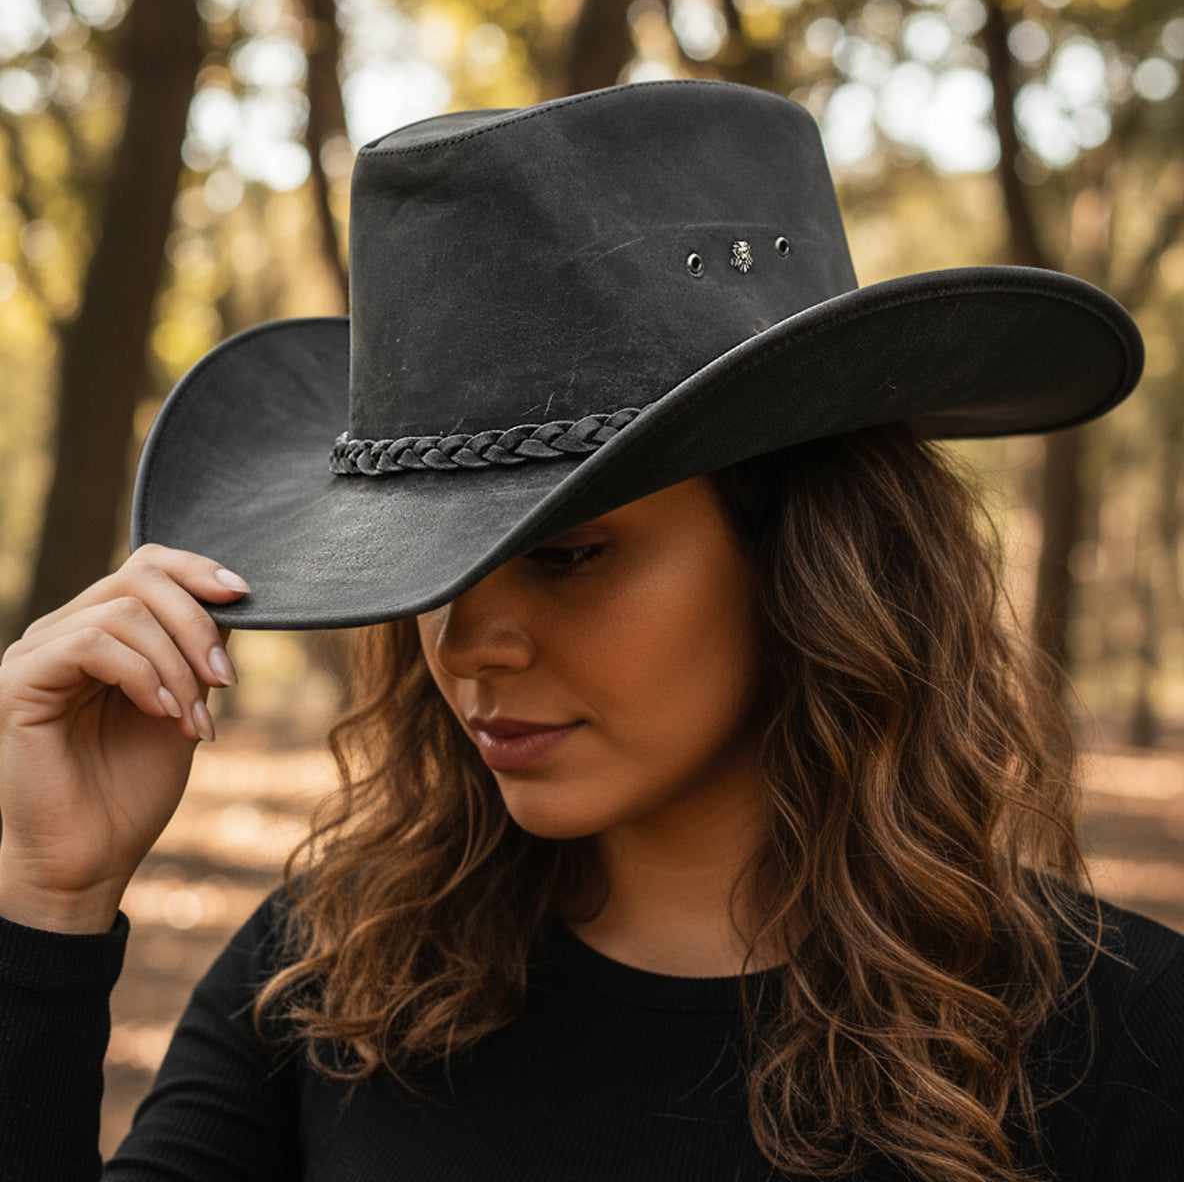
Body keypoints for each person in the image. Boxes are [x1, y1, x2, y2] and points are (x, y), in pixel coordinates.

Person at [0, 79, 1180, 1182]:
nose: (468, 644)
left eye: (568, 554)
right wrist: (48, 904)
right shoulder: (334, 977)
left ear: (813, 558)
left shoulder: (1117, 1044)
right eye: (433, 572)